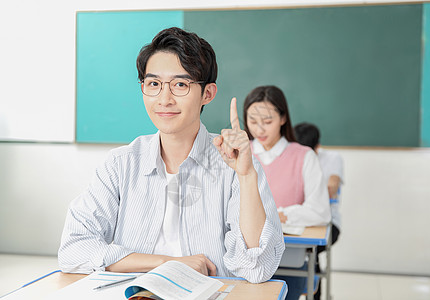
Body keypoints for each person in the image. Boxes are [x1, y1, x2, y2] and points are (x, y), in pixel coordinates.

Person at [58, 27, 285, 284]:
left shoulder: (235, 164)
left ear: (207, 94)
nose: (164, 99)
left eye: (180, 84)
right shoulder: (121, 164)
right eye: (153, 84)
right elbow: (73, 249)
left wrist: (245, 176)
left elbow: (257, 269)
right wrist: (166, 264)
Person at [243, 85, 331, 299]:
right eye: (253, 121)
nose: (260, 129)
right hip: (244, 259)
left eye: (268, 121)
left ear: (283, 118)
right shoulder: (240, 154)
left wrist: (280, 215)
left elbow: (321, 212)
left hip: (288, 258)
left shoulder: (304, 156)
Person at [294, 122, 343, 300]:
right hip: (296, 222)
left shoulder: (332, 158)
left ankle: (313, 293)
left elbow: (332, 187)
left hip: (328, 224)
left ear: (318, 147)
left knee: (309, 253)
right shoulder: (293, 156)